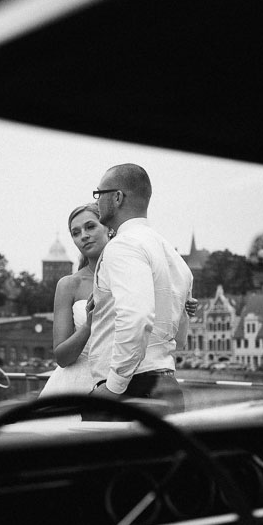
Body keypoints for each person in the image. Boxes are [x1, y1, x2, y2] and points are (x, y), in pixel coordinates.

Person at [87, 163, 194, 413]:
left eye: (99, 193)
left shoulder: (123, 246)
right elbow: (180, 337)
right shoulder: (175, 259)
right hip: (167, 384)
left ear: (117, 197)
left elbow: (137, 316)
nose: (97, 201)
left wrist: (114, 386)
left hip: (130, 390)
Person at [39, 204, 112, 397]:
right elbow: (61, 357)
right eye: (76, 233)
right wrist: (88, 326)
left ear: (108, 228)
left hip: (125, 383)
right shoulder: (69, 284)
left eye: (90, 227)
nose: (83, 236)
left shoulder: (132, 276)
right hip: (75, 387)